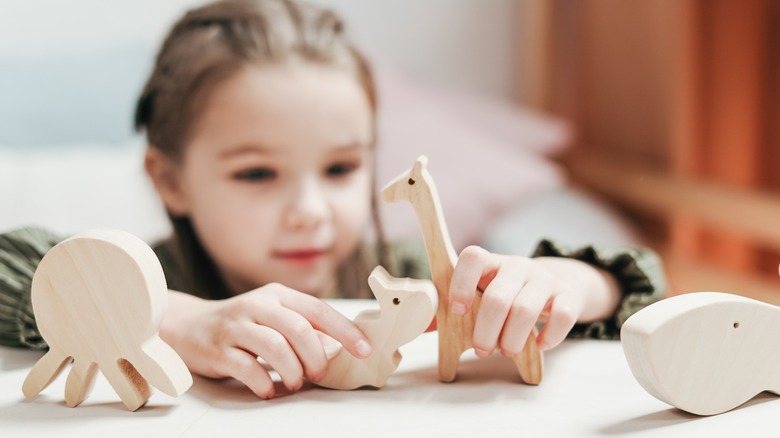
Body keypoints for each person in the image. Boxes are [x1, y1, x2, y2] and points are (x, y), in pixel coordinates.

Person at [0, 0, 664, 399]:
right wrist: (171, 320)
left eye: (342, 168)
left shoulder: (412, 278)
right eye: (257, 174)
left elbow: (635, 288)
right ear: (170, 180)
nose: (311, 211)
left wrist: (568, 283)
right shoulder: (147, 280)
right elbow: (15, 265)